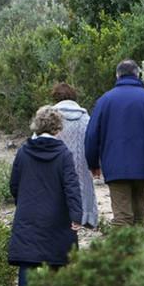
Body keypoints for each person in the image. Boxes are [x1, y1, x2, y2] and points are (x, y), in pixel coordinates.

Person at [83, 60, 144, 227]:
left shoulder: (105, 100)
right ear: (138, 75)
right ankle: (138, 243)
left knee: (122, 217)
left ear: (117, 75)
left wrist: (93, 163)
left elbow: (92, 135)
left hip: (115, 167)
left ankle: (123, 245)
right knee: (139, 215)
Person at [9, 106, 83, 286]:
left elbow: (14, 184)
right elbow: (71, 186)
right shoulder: (64, 154)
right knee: (57, 258)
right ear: (58, 128)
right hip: (56, 216)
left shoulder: (24, 151)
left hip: (28, 214)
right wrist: (76, 215)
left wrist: (22, 202)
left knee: (28, 260)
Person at [51, 83, 99, 229]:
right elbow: (94, 142)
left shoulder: (50, 117)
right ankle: (83, 219)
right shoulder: (86, 118)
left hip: (55, 168)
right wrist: (95, 164)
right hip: (82, 166)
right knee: (80, 194)